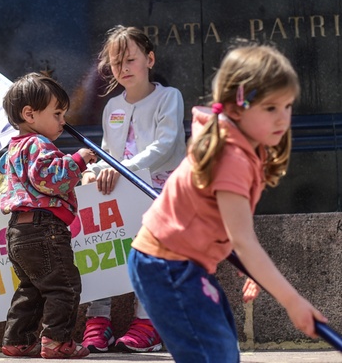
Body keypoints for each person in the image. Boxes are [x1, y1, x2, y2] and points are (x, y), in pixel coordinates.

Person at [128, 43, 328, 362]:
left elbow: (231, 227)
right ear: (237, 108)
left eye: (287, 106)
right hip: (166, 266)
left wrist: (252, 267)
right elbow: (244, 240)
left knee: (221, 350)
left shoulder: (247, 146)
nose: (283, 118)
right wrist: (293, 302)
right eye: (270, 108)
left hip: (183, 264)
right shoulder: (231, 156)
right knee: (214, 355)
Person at [80, 25, 186, 353]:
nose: (123, 69)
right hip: (122, 186)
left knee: (148, 245)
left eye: (130, 60)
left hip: (159, 190)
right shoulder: (113, 107)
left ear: (149, 59)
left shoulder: (168, 97)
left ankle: (148, 321)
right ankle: (98, 318)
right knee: (94, 230)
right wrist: (90, 171)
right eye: (115, 64)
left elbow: (165, 146)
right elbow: (108, 154)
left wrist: (118, 170)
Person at [0, 73, 97, 359]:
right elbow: (48, 178)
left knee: (32, 287)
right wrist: (79, 159)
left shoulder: (10, 152)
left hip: (18, 230)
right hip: (45, 229)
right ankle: (57, 341)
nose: (63, 121)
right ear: (29, 114)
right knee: (64, 286)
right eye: (57, 114)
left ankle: (17, 339)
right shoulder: (38, 145)